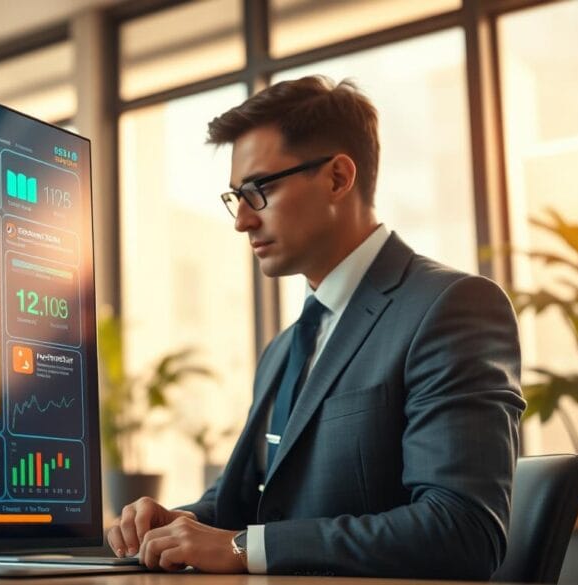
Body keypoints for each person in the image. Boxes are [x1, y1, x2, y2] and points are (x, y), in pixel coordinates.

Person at [106, 76, 526, 578]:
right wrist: (177, 523)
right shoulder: (285, 348)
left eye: (259, 190)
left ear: (337, 178)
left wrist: (240, 549)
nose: (242, 220)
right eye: (235, 196)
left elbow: (462, 530)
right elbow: (249, 504)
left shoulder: (451, 307)